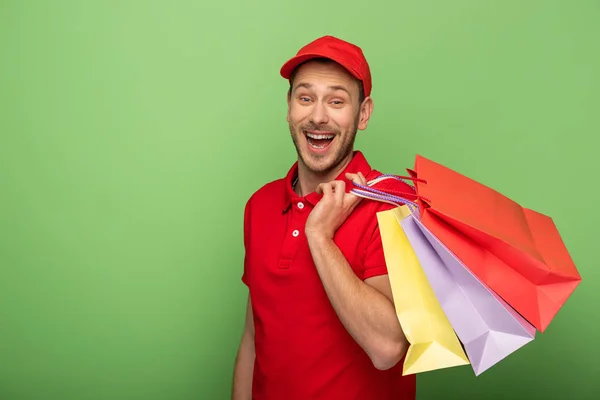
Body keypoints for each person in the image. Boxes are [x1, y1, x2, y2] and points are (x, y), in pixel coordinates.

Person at [232, 35, 418, 400]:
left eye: (336, 101)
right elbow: (254, 341)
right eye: (305, 98)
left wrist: (319, 236)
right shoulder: (260, 205)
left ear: (363, 113)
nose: (318, 116)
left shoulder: (394, 205)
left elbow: (387, 347)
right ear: (289, 106)